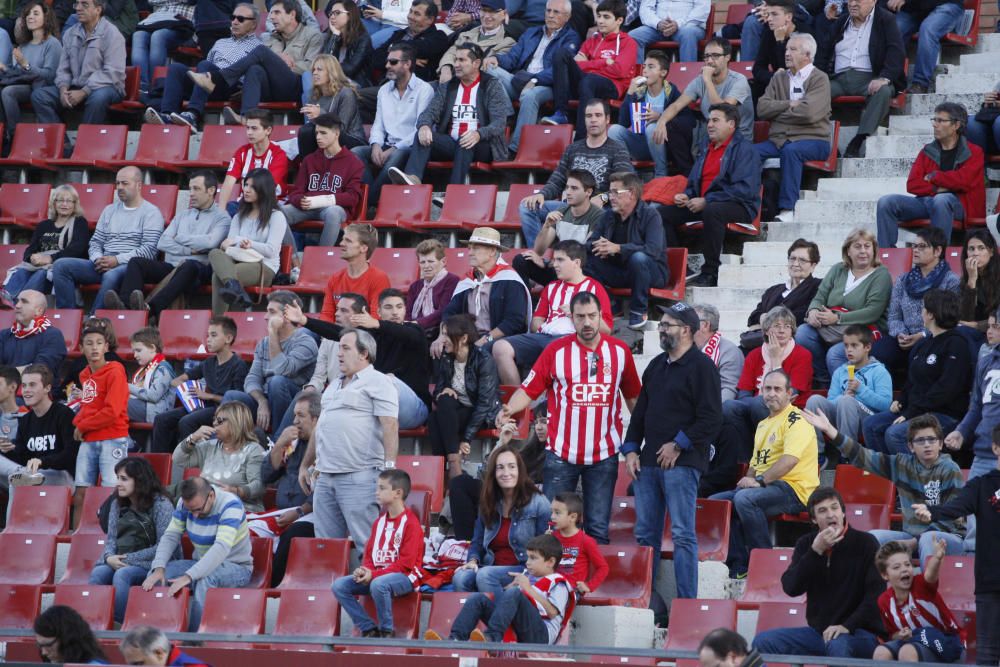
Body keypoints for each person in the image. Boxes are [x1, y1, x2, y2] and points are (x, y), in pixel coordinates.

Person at [501, 291, 640, 544]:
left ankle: (592, 584)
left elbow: (633, 398)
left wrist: (641, 438)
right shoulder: (555, 350)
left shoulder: (620, 351)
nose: (586, 322)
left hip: (604, 453)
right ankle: (556, 583)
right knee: (556, 529)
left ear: (601, 317)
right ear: (571, 318)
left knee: (598, 529)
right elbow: (528, 389)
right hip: (561, 454)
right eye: (580, 317)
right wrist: (508, 410)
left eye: (592, 316)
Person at [624, 302, 722, 605]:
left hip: (683, 463)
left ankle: (686, 604)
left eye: (669, 324)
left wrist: (678, 443)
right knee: (645, 536)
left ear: (688, 331)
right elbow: (640, 412)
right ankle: (646, 600)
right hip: (648, 463)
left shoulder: (703, 367)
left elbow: (711, 417)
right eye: (663, 324)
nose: (662, 329)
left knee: (682, 534)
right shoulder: (655, 365)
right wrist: (630, 449)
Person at [808, 409, 965, 564]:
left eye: (932, 440)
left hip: (948, 538)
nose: (927, 445)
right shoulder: (902, 464)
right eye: (920, 440)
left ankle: (926, 589)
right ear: (911, 446)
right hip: (912, 537)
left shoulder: (950, 469)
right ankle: (872, 588)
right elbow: (863, 456)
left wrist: (914, 543)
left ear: (940, 443)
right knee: (873, 537)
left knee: (927, 539)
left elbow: (950, 518)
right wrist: (830, 431)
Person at [751, 487, 884, 658]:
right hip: (819, 634)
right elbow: (791, 588)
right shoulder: (806, 544)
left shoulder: (866, 543)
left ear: (843, 512)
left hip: (860, 633)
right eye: (822, 511)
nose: (830, 515)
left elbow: (876, 597)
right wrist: (815, 551)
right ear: (814, 519)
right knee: (763, 642)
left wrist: (847, 626)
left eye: (834, 508)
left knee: (837, 645)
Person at [712, 369, 819, 579]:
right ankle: (740, 565)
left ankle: (764, 563)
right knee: (719, 502)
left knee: (744, 500)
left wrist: (759, 482)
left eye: (778, 389)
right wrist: (747, 480)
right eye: (767, 388)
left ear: (791, 394)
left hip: (795, 489)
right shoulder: (763, 424)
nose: (771, 393)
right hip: (768, 486)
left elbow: (789, 461)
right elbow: (756, 463)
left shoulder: (797, 421)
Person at [298, 328, 398, 548]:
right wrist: (305, 465)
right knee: (326, 547)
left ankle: (372, 583)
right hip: (324, 478)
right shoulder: (333, 384)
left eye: (345, 348)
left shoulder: (379, 381)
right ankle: (333, 584)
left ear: (364, 354)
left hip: (359, 476)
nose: (339, 354)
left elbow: (390, 424)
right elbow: (320, 427)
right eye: (338, 348)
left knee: (368, 547)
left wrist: (389, 470)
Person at [284, 288, 430, 430]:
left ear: (405, 310)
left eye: (399, 307)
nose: (395, 312)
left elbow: (407, 335)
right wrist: (304, 320)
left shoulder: (415, 331)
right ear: (378, 312)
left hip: (414, 409)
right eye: (388, 307)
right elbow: (337, 332)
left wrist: (377, 323)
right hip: (377, 410)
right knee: (336, 393)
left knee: (386, 379)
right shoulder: (373, 334)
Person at [914, 428, 1000, 666]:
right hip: (990, 582)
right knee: (987, 654)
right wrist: (931, 511)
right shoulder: (982, 485)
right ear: (995, 448)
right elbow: (957, 506)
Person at [660, 102, 762, 288]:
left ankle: (711, 272)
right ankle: (681, 268)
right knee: (661, 214)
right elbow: (693, 183)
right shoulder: (706, 147)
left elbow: (744, 189)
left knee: (713, 211)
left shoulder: (745, 150)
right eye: (708, 120)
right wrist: (686, 195)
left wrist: (707, 201)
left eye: (716, 120)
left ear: (731, 124)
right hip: (705, 203)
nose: (709, 125)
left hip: (739, 206)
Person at [862, 289, 971, 455]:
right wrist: (901, 400)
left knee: (895, 434)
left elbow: (947, 388)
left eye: (924, 309)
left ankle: (917, 477)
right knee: (871, 424)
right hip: (916, 410)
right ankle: (889, 475)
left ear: (931, 315)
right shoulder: (924, 343)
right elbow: (912, 379)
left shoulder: (956, 343)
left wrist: (913, 412)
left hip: (944, 414)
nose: (921, 313)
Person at [388, 42, 513, 187]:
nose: (456, 64)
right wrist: (424, 126)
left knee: (465, 141)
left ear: (476, 63)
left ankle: (454, 191)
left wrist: (478, 134)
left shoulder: (491, 85)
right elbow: (429, 113)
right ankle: (413, 178)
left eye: (462, 60)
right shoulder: (448, 86)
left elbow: (499, 124)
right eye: (455, 60)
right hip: (452, 143)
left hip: (483, 145)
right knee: (423, 135)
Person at [185, 0, 323, 127]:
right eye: (271, 13)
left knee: (261, 51)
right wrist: (276, 59)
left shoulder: (312, 35)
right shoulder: (268, 37)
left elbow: (311, 68)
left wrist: (286, 64)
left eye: (276, 12)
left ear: (292, 14)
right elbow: (266, 63)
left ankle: (218, 77)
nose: (271, 17)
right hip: (269, 87)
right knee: (255, 69)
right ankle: (246, 116)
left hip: (292, 86)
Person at [494, 240, 613, 385]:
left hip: (573, 339)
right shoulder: (551, 287)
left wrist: (577, 314)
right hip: (544, 336)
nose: (554, 265)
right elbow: (536, 321)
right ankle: (516, 401)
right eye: (554, 260)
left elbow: (606, 330)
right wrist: (544, 328)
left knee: (553, 348)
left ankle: (541, 398)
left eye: (560, 260)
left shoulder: (595, 288)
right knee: (500, 347)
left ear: (576, 263)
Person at [110, 172, 230, 317]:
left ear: (211, 191)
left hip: (198, 270)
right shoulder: (182, 215)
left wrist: (178, 237)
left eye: (196, 189)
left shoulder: (222, 217)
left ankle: (151, 309)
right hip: (172, 266)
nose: (191, 194)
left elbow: (211, 242)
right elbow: (162, 242)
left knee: (189, 265)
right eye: (190, 188)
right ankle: (125, 306)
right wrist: (189, 250)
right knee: (136, 262)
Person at [143, 476, 254, 632]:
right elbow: (170, 536)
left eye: (198, 509)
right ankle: (160, 632)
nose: (194, 515)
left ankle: (195, 639)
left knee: (205, 579)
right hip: (200, 563)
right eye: (190, 510)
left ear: (211, 496)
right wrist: (159, 567)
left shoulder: (231, 505)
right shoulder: (185, 504)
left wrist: (189, 576)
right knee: (155, 575)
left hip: (237, 567)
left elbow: (221, 548)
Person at [520, 98, 633, 248]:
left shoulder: (617, 149)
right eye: (589, 116)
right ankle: (537, 256)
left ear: (607, 119)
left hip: (600, 209)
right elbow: (558, 178)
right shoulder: (573, 149)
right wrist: (542, 194)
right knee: (527, 206)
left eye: (598, 115)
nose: (593, 120)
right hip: (570, 206)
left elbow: (626, 186)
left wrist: (604, 197)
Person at [50, 167, 165, 313]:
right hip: (102, 263)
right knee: (61, 265)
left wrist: (116, 260)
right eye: (117, 184)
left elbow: (149, 251)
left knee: (111, 275)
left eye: (125, 183)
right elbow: (96, 241)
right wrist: (98, 259)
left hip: (128, 266)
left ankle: (94, 319)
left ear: (139, 185)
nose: (120, 188)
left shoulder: (151, 213)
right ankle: (67, 316)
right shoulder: (109, 210)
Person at [427, 533, 573, 644]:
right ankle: (455, 640)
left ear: (550, 562)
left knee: (514, 593)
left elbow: (553, 613)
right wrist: (511, 590)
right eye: (527, 558)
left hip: (542, 636)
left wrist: (526, 589)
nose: (528, 563)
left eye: (533, 558)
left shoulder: (559, 583)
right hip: (520, 626)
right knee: (478, 599)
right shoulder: (527, 576)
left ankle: (491, 638)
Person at [875, 103, 985, 248]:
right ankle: (886, 255)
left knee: (941, 200)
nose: (935, 125)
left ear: (956, 125)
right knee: (886, 202)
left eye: (941, 121)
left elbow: (964, 181)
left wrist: (934, 176)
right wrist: (937, 189)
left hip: (959, 205)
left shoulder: (974, 152)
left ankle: (936, 256)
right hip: (928, 201)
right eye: (934, 120)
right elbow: (912, 184)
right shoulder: (927, 151)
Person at [332, 468, 424, 637]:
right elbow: (370, 555)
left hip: (406, 577)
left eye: (382, 488)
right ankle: (367, 628)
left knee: (378, 584)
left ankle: (387, 630)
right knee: (339, 585)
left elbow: (406, 565)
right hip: (377, 576)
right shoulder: (378, 522)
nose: (377, 492)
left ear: (397, 493)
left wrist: (373, 575)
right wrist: (365, 570)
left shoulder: (411, 524)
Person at [451, 444, 551, 595]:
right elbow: (477, 540)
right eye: (500, 467)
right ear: (493, 473)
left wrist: (528, 576)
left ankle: (500, 618)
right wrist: (472, 560)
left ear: (520, 470)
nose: (506, 473)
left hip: (523, 567)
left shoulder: (538, 502)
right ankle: (476, 617)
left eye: (512, 467)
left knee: (485, 577)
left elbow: (547, 548)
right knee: (460, 578)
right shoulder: (489, 501)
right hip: (490, 564)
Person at [796, 227, 891, 385]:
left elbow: (873, 312)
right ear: (848, 251)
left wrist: (838, 318)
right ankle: (824, 380)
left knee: (835, 354)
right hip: (831, 327)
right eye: (857, 246)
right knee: (803, 333)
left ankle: (848, 391)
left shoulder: (881, 275)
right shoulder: (838, 269)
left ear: (874, 250)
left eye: (867, 246)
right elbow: (819, 297)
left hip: (864, 330)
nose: (863, 251)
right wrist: (813, 311)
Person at [144, 4, 263, 130]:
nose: (234, 22)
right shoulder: (221, 42)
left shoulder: (258, 46)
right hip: (207, 84)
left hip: (230, 87)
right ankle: (167, 114)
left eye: (241, 19)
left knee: (204, 65)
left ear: (254, 25)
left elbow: (254, 76)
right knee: (176, 68)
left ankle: (192, 114)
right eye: (233, 18)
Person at [483, 0, 580, 153]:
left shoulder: (571, 38)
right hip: (521, 80)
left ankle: (515, 149)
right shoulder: (531, 32)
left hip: (547, 85)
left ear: (567, 17)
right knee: (488, 68)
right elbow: (512, 58)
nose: (550, 15)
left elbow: (559, 70)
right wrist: (497, 59)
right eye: (548, 11)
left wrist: (535, 80)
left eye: (556, 12)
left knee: (530, 96)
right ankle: (509, 114)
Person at [89, 457, 178, 624]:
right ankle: (96, 622)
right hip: (121, 559)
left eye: (124, 479)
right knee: (98, 573)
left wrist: (127, 559)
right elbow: (111, 539)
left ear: (139, 481)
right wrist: (108, 557)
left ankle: (122, 625)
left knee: (122, 575)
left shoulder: (161, 504)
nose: (118, 483)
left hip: (154, 563)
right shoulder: (117, 503)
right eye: (117, 478)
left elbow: (164, 546)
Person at [754, 32, 831, 223]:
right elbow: (762, 108)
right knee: (748, 152)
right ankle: (749, 206)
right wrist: (789, 104)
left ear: (807, 55)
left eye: (793, 49)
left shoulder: (820, 78)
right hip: (779, 140)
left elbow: (809, 113)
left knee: (791, 151)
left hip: (814, 140)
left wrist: (778, 113)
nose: (787, 53)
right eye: (787, 48)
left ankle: (788, 208)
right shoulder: (778, 77)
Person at [815, 0, 905, 158]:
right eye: (850, 0)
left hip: (869, 78)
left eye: (859, 0)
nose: (853, 4)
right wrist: (818, 78)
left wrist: (884, 78)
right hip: (838, 79)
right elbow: (823, 52)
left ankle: (858, 140)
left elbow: (896, 52)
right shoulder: (841, 21)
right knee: (814, 93)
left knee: (883, 91)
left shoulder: (885, 19)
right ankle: (824, 144)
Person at [222, 291, 317, 436]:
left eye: (271, 312)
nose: (266, 317)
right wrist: (262, 402)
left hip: (292, 405)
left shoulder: (305, 342)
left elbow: (282, 370)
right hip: (266, 402)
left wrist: (272, 332)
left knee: (277, 382)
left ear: (286, 316)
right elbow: (252, 379)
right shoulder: (263, 343)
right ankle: (223, 444)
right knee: (231, 396)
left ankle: (277, 441)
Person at [352, 42, 434, 204]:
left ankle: (369, 203)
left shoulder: (424, 89)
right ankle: (371, 199)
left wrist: (392, 150)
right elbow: (378, 124)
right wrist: (375, 144)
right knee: (355, 153)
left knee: (395, 158)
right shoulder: (383, 90)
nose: (387, 65)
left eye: (393, 62)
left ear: (407, 64)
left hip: (408, 147)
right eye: (388, 61)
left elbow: (421, 128)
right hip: (386, 144)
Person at [152, 317, 248, 454]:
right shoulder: (208, 363)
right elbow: (178, 380)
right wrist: (185, 389)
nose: (208, 339)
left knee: (187, 421)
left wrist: (208, 396)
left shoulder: (239, 365)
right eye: (207, 335)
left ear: (228, 338)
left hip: (222, 410)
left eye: (214, 335)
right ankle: (159, 464)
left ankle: (190, 465)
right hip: (202, 406)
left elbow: (237, 401)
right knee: (161, 419)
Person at [585, 171, 667, 329]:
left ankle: (638, 310)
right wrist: (599, 246)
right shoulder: (608, 215)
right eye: (610, 192)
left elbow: (653, 250)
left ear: (632, 194)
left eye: (616, 192)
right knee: (584, 257)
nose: (611, 197)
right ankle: (611, 303)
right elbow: (590, 242)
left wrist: (618, 248)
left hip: (651, 273)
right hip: (620, 271)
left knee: (638, 258)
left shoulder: (650, 215)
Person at [540, 0, 636, 136]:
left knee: (588, 80)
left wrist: (588, 66)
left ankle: (581, 137)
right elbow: (577, 63)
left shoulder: (628, 42)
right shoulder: (592, 40)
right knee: (561, 54)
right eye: (599, 16)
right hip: (587, 81)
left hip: (612, 86)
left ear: (619, 20)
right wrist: (603, 62)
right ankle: (561, 113)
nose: (600, 21)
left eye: (606, 17)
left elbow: (619, 70)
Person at [433, 227, 532, 355]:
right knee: (437, 348)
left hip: (501, 339)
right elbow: (450, 312)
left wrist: (485, 339)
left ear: (492, 251)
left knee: (478, 352)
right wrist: (443, 335)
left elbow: (514, 321)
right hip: (470, 337)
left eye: (476, 248)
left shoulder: (510, 280)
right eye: (469, 248)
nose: (469, 253)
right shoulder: (467, 281)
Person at [29, 0, 125, 131]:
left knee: (98, 97)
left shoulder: (112, 34)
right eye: (77, 4)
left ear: (98, 10)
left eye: (84, 4)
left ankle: (85, 144)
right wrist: (63, 89)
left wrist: (84, 91)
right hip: (76, 86)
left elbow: (112, 72)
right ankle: (61, 143)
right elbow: (63, 68)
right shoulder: (70, 33)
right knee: (40, 96)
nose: (78, 8)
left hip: (107, 87)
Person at [427, 314, 500, 479]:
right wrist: (442, 392)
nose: (442, 339)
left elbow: (484, 404)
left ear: (464, 338)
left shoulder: (483, 360)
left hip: (479, 415)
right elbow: (438, 389)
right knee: (438, 410)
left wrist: (466, 439)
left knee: (435, 419)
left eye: (446, 335)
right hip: (454, 413)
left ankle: (445, 469)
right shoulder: (446, 357)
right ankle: (453, 462)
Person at [877, 227, 961, 370]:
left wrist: (921, 335)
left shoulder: (950, 281)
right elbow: (894, 316)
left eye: (922, 246)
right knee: (878, 352)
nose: (915, 250)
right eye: (914, 246)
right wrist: (901, 334)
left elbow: (949, 320)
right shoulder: (903, 280)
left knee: (920, 353)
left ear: (938, 251)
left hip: (934, 337)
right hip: (904, 337)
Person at [208, 169, 288, 314]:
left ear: (263, 190)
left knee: (218, 276)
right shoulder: (239, 216)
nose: (246, 190)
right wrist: (227, 244)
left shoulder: (276, 216)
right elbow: (229, 244)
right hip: (239, 260)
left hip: (264, 266)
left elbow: (271, 250)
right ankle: (235, 287)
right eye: (245, 185)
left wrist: (249, 244)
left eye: (252, 187)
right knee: (215, 252)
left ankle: (217, 322)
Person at [873, 540, 966, 663]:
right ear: (885, 575)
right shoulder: (883, 601)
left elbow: (930, 575)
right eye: (897, 567)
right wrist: (900, 635)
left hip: (946, 641)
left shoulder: (921, 585)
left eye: (907, 564)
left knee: (907, 652)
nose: (904, 569)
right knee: (881, 653)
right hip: (910, 642)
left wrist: (937, 558)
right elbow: (892, 635)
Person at [72, 323, 130, 521]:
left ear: (106, 347)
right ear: (81, 348)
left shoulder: (115, 371)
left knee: (111, 493)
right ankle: (75, 540)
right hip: (90, 439)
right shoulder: (84, 375)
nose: (94, 348)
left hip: (113, 438)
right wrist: (79, 421)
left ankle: (108, 539)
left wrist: (83, 426)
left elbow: (112, 411)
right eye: (89, 343)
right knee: (80, 493)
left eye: (99, 343)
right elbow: (88, 406)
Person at [281, 112, 364, 248]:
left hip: (334, 208)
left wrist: (325, 200)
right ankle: (293, 260)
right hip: (308, 207)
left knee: (333, 212)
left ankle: (321, 256)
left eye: (323, 133)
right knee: (277, 212)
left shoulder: (353, 162)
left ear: (336, 133)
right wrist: (300, 200)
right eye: (317, 133)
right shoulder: (309, 160)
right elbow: (296, 192)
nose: (318, 137)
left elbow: (353, 197)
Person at [263, 391, 319, 587]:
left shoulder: (326, 446)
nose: (295, 421)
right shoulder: (291, 443)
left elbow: (326, 491)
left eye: (300, 416)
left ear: (316, 419)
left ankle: (269, 588)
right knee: (243, 532)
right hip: (281, 514)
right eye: (294, 415)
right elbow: (266, 477)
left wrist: (299, 511)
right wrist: (278, 445)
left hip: (310, 515)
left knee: (293, 534)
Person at [652, 38, 755, 145]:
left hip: (738, 137)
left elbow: (723, 111)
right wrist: (662, 121)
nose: (709, 61)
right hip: (711, 135)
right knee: (674, 125)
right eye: (706, 56)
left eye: (715, 56)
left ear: (727, 57)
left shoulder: (739, 80)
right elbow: (677, 105)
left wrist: (707, 80)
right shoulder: (700, 81)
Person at [609, 51, 696, 177]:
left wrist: (661, 118)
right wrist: (629, 94)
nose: (644, 71)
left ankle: (661, 173)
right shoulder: (639, 92)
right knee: (614, 130)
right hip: (642, 144)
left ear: (663, 73)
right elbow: (623, 123)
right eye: (644, 66)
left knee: (652, 128)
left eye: (651, 67)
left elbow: (688, 121)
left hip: (667, 147)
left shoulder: (671, 92)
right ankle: (629, 175)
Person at [804, 325, 892, 449]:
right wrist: (843, 397)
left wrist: (861, 390)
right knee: (814, 400)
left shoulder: (879, 371)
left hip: (868, 420)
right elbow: (831, 400)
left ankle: (847, 454)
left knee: (846, 401)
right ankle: (817, 452)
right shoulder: (840, 371)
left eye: (854, 345)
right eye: (846, 345)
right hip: (842, 416)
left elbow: (885, 405)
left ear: (867, 347)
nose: (849, 350)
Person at [513, 171, 604, 288]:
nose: (568, 192)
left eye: (574, 188)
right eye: (567, 187)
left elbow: (585, 255)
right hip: (560, 268)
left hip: (581, 272)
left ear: (588, 192)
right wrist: (546, 226)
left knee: (583, 267)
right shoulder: (562, 210)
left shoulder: (598, 216)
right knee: (521, 260)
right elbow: (539, 251)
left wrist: (549, 264)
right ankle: (526, 304)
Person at [1, 185, 89, 306]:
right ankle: (6, 298)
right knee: (22, 271)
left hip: (59, 267)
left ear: (75, 204)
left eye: (69, 201)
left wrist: (50, 259)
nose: (64, 204)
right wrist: (32, 258)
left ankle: (21, 304)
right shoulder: (44, 225)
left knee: (41, 273)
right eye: (60, 200)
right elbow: (30, 249)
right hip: (38, 264)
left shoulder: (80, 223)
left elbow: (77, 249)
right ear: (54, 203)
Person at [173, 402, 266, 512]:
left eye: (220, 420)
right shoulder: (209, 446)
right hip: (206, 509)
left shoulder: (253, 449)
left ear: (236, 422)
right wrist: (193, 438)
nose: (215, 424)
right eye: (214, 420)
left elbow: (258, 486)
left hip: (241, 510)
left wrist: (236, 491)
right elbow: (178, 459)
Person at [0, 364, 77, 490]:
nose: (26, 390)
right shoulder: (25, 420)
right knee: (19, 479)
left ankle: (22, 475)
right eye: (24, 385)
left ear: (47, 388)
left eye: (32, 385)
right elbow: (23, 458)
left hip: (63, 476)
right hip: (32, 474)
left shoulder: (63, 414)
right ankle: (21, 474)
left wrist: (43, 462)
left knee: (19, 481)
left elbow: (70, 455)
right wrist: (7, 451)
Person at [0, 2, 61, 148]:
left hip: (42, 87)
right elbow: (17, 74)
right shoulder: (24, 45)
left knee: (9, 92)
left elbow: (49, 75)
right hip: (25, 84)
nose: (30, 17)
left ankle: (15, 135)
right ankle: (3, 135)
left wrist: (26, 64)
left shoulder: (52, 44)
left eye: (35, 13)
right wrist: (4, 68)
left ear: (46, 18)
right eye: (28, 14)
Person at [217, 110, 289, 215]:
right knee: (226, 211)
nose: (249, 132)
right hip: (245, 204)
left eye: (254, 128)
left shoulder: (278, 154)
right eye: (247, 128)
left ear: (268, 130)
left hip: (271, 205)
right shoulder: (242, 152)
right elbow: (228, 183)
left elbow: (267, 187)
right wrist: (221, 212)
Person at [319, 222, 391, 322]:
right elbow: (327, 315)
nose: (341, 244)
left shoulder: (378, 278)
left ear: (363, 248)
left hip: (364, 334)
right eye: (343, 239)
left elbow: (376, 318)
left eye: (348, 241)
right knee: (303, 332)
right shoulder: (335, 278)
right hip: (335, 331)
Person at [297, 55, 366, 155]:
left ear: (331, 72)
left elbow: (341, 128)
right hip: (327, 136)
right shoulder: (314, 95)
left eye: (319, 69)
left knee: (310, 132)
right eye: (313, 70)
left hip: (351, 139)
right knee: (306, 131)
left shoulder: (346, 93)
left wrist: (320, 114)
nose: (315, 73)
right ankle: (308, 167)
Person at [368, 1, 449, 84]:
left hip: (416, 90)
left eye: (417, 14)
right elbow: (376, 58)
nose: (410, 16)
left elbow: (419, 48)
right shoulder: (400, 34)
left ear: (430, 19)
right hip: (386, 86)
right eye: (410, 11)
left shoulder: (438, 37)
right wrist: (403, 60)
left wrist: (393, 48)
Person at [893, 0, 965, 94]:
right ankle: (891, 80)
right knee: (893, 29)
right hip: (914, 8)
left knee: (928, 29)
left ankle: (920, 83)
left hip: (946, 4)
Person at [437, 0, 515, 86]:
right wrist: (446, 68)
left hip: (477, 88)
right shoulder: (466, 34)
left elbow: (488, 69)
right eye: (484, 10)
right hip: (452, 80)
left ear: (504, 14)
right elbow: (451, 52)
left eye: (493, 12)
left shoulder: (508, 42)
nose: (487, 16)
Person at [749, 0, 812, 101]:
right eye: (768, 14)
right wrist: (774, 77)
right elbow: (758, 68)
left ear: (788, 17)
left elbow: (791, 72)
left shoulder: (804, 35)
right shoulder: (769, 33)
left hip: (801, 85)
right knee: (752, 86)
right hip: (777, 83)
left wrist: (780, 42)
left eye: (774, 14)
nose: (769, 19)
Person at [549, 491, 609, 597]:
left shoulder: (586, 541)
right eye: (552, 512)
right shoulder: (552, 537)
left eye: (557, 513)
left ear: (572, 517)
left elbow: (603, 567)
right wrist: (544, 543)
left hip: (571, 590)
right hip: (551, 585)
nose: (552, 517)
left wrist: (589, 586)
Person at [131, 0, 195, 95]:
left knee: (158, 36)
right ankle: (142, 86)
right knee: (138, 35)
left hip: (182, 23)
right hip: (158, 20)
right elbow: (151, 1)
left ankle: (156, 85)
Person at [0, 290, 68, 376]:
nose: (17, 306)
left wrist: (6, 374)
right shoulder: (4, 335)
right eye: (17, 301)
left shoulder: (53, 335)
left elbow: (40, 371)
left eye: (24, 302)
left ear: (39, 311)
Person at [406, 239, 460, 336]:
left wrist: (417, 324)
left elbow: (443, 312)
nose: (426, 266)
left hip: (437, 332)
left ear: (443, 261)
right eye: (422, 262)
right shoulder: (415, 286)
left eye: (431, 261)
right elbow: (407, 313)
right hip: (413, 331)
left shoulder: (452, 281)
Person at [313, 0, 372, 89]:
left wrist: (329, 69)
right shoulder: (332, 36)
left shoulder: (363, 39)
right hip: (331, 79)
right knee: (307, 76)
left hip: (354, 82)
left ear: (350, 15)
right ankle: (313, 103)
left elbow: (350, 69)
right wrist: (335, 36)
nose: (332, 17)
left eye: (337, 13)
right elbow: (322, 62)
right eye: (331, 13)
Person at [957, 230, 1000, 352]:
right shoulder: (966, 279)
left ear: (991, 252)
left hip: (995, 333)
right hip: (971, 332)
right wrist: (972, 280)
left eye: (981, 248)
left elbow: (998, 317)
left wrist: (977, 326)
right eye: (971, 249)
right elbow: (965, 317)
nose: (975, 253)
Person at [693, 304, 744, 402]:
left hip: (712, 409)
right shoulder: (687, 348)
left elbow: (728, 391)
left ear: (705, 325)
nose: (686, 325)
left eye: (690, 320)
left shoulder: (729, 352)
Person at [629, 0, 708, 62]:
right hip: (659, 27)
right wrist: (657, 23)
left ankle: (689, 79)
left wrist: (678, 23)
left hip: (688, 26)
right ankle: (637, 78)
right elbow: (645, 9)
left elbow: (702, 10)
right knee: (634, 36)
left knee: (688, 34)